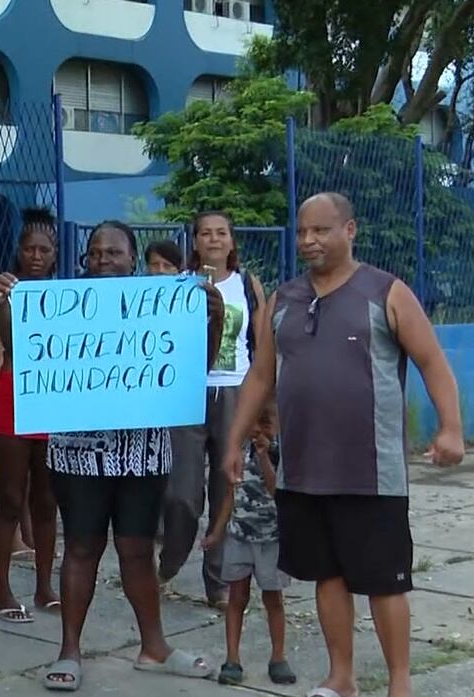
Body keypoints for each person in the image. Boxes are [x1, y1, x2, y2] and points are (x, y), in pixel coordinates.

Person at [223, 192, 465, 697]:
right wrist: (233, 441)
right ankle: (342, 678)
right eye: (302, 231)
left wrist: (449, 428)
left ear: (349, 230)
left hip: (371, 472)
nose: (309, 240)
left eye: (321, 230)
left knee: (385, 580)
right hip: (304, 470)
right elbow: (261, 376)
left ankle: (400, 683)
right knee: (325, 576)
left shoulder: (387, 293)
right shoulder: (283, 300)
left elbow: (432, 362)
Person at [0, 220, 222, 691]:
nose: (103, 261)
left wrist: (211, 320)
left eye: (113, 253)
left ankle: (154, 647)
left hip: (141, 452)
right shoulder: (62, 306)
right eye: (94, 253)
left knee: (136, 549)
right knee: (81, 548)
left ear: (132, 259)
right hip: (78, 454)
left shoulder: (159, 306)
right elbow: (24, 356)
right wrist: (5, 310)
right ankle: (69, 650)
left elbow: (196, 367)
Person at [159, 211, 267, 607]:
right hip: (188, 394)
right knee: (182, 493)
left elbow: (261, 345)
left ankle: (217, 579)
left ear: (232, 241)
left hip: (234, 392)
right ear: (195, 241)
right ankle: (169, 559)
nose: (214, 239)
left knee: (227, 489)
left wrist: (264, 403)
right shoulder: (181, 285)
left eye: (222, 233)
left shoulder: (247, 285)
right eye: (206, 233)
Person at [0, 208, 60, 623]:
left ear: (56, 253)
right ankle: (2, 590)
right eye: (29, 248)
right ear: (19, 252)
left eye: (44, 249)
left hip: (52, 404)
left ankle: (45, 586)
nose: (36, 256)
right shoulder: (1, 295)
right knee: (9, 499)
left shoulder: (67, 297)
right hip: (10, 399)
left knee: (47, 501)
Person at [202, 404, 295, 687]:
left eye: (264, 423)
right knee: (236, 598)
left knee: (273, 599)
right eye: (252, 424)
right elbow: (231, 493)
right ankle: (232, 659)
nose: (257, 430)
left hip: (271, 540)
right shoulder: (239, 451)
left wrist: (265, 455)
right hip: (239, 536)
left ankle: (278, 658)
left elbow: (273, 489)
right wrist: (216, 533)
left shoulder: (280, 454)